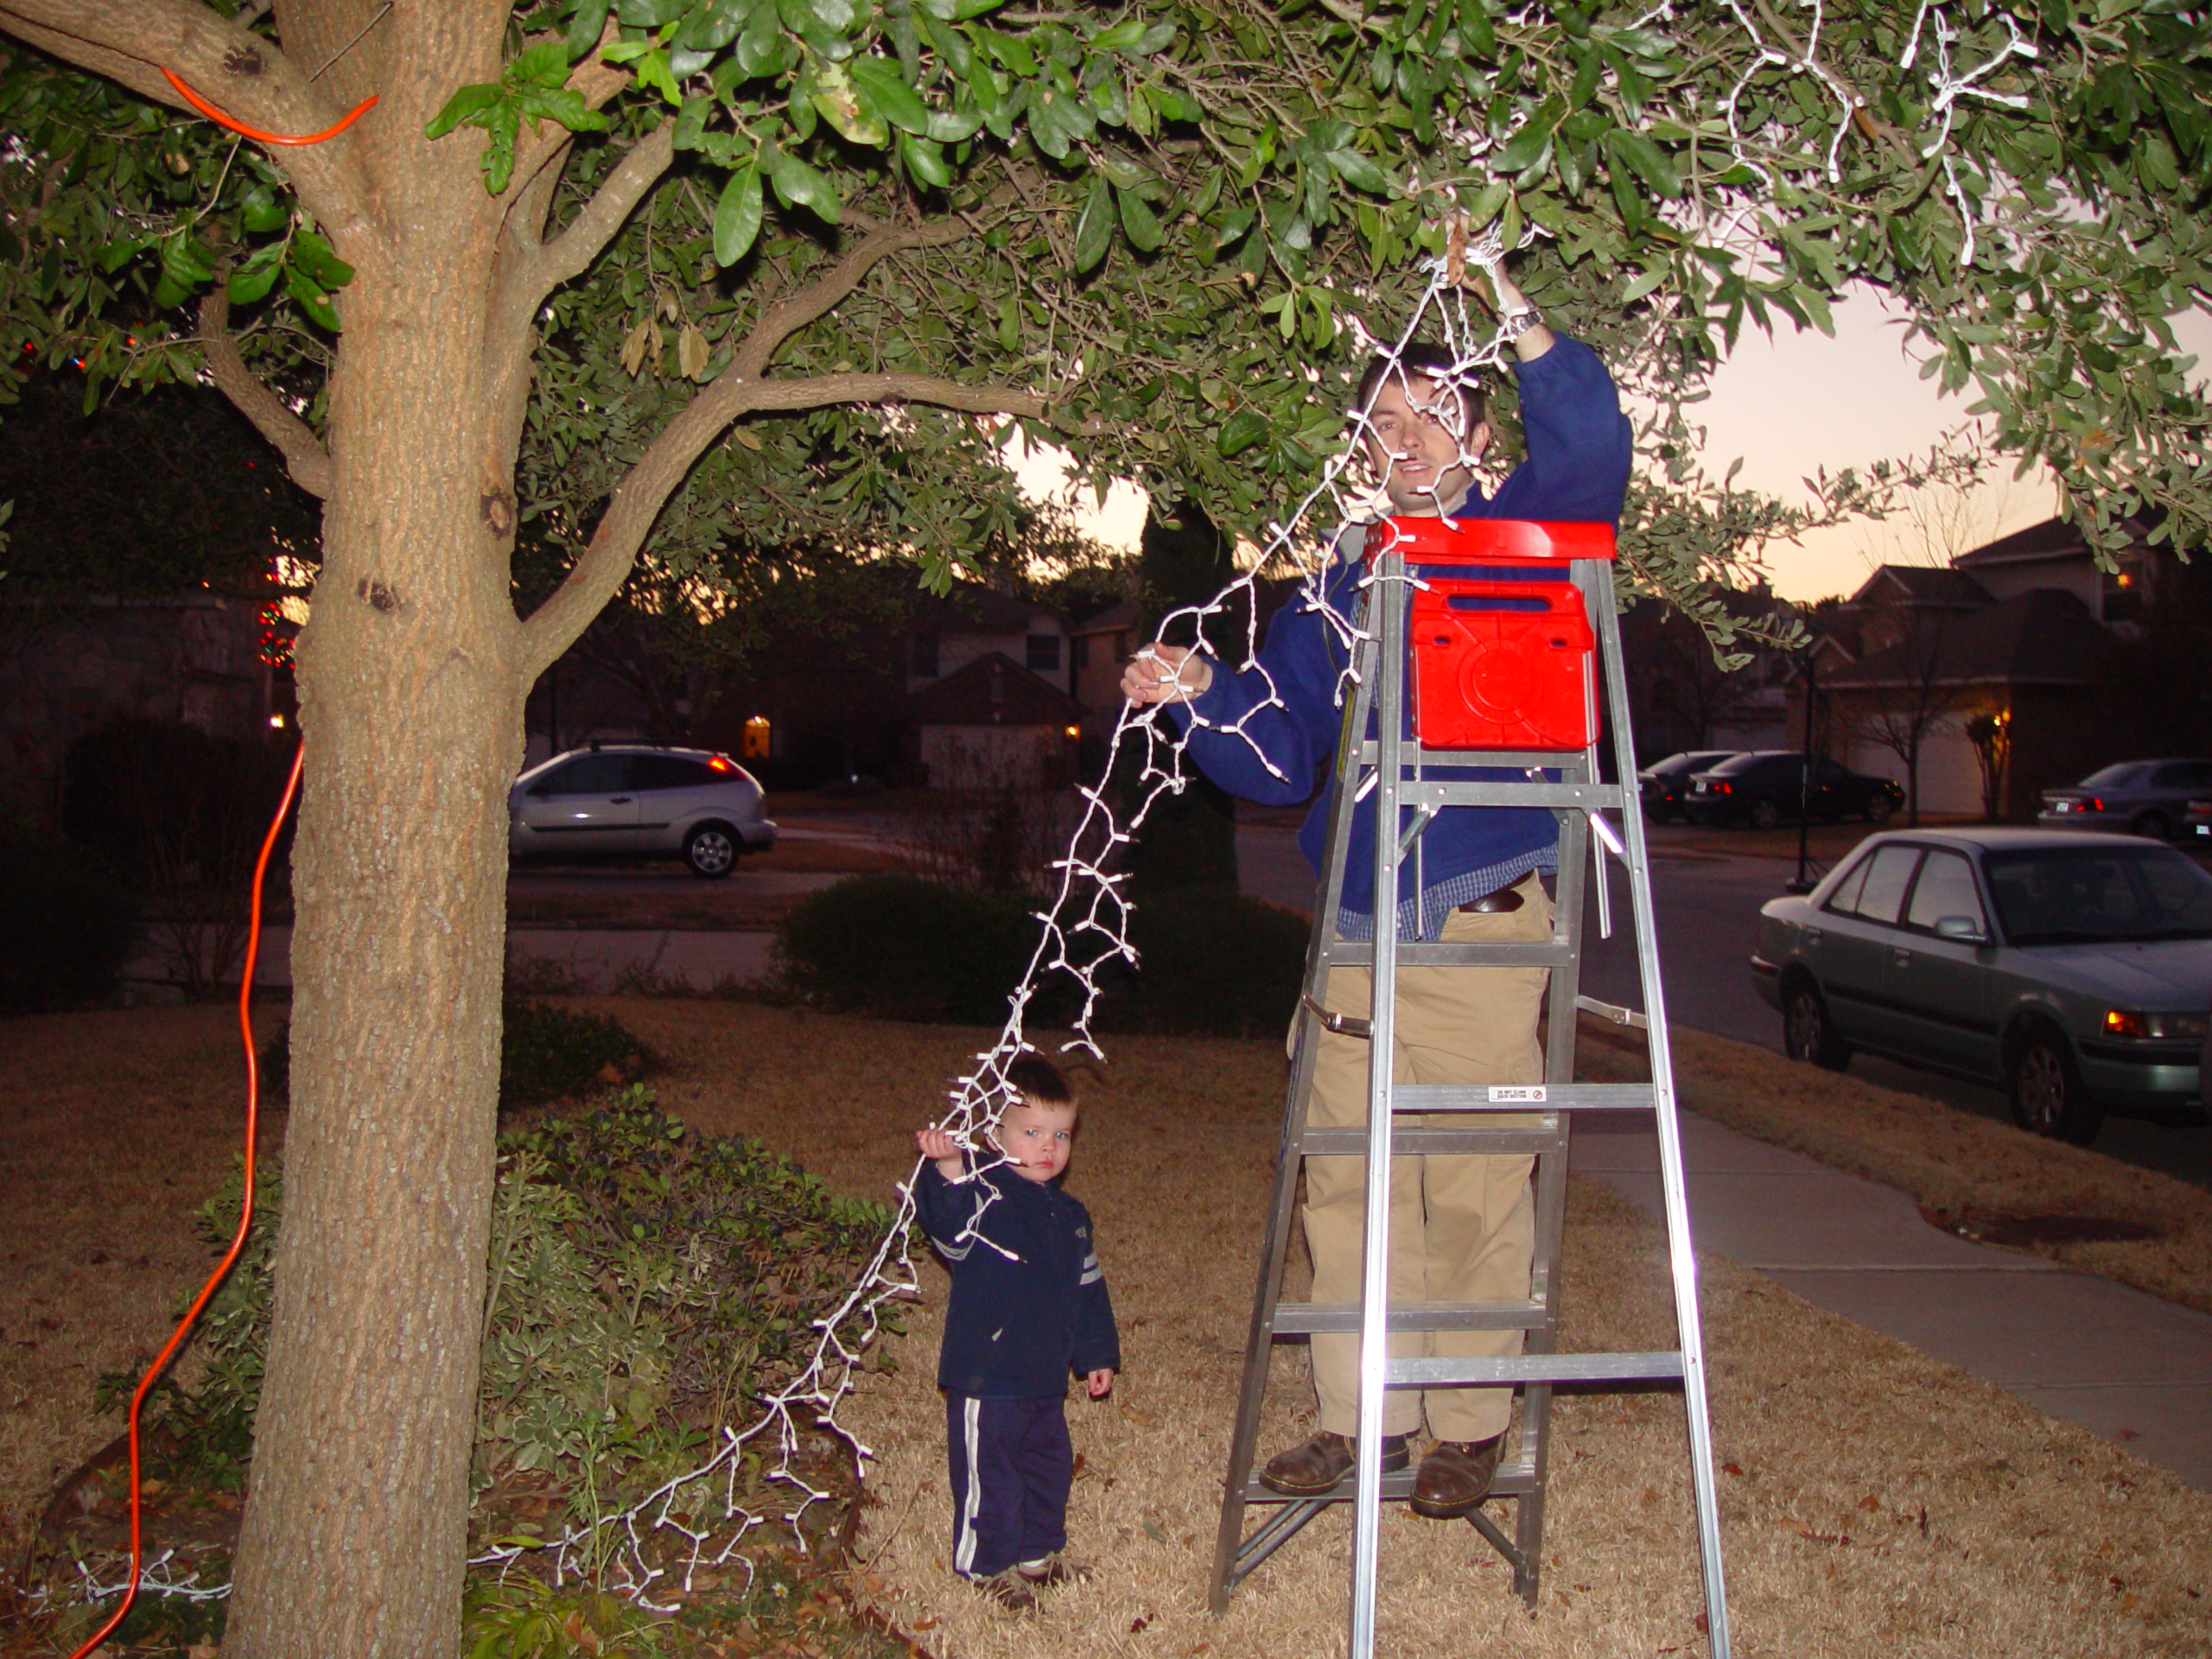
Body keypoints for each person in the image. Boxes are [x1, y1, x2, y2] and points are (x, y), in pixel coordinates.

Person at [1121, 269, 1631, 1520]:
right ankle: (1363, 1423)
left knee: (1470, 1178)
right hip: (1353, 931)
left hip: (1479, 918)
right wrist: (1198, 692)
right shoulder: (1341, 582)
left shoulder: (1527, 538)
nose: (1404, 443)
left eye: (1430, 414)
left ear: (1481, 431)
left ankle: (1467, 1428)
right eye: (1382, 424)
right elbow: (1279, 754)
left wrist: (1514, 310)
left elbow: (1595, 442)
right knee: (1344, 1186)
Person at [912, 1055, 1120, 1611]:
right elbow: (949, 1232)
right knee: (994, 1472)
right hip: (988, 1373)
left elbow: (1087, 1288)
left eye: (1060, 1135)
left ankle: (1037, 1553)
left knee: (1048, 1465)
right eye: (1030, 1133)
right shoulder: (983, 1196)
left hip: (1044, 1377)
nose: (1047, 1147)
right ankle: (984, 1565)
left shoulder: (1071, 1214)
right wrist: (951, 1171)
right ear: (993, 1133)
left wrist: (1097, 1351)